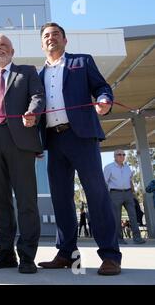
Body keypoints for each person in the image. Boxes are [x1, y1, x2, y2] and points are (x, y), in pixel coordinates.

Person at [37, 22, 122, 276]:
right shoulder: (38, 75)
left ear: (65, 40)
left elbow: (101, 87)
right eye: (46, 36)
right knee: (61, 199)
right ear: (42, 44)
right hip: (54, 139)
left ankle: (110, 255)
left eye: (55, 35)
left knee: (96, 195)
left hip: (82, 136)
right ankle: (66, 254)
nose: (51, 38)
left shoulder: (82, 62)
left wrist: (105, 100)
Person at [0, 34, 45, 274]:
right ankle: (5, 253)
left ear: (12, 51)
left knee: (26, 200)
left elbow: (38, 96)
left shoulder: (27, 72)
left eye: (4, 45)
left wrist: (33, 112)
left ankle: (27, 255)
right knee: (0, 201)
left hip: (20, 139)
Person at [103, 150, 146, 244]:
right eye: (119, 154)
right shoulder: (109, 167)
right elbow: (104, 182)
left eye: (123, 154)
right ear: (114, 156)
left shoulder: (127, 168)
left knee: (133, 216)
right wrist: (106, 196)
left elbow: (130, 181)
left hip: (128, 193)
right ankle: (119, 239)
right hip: (115, 194)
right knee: (116, 217)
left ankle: (137, 238)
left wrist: (133, 193)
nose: (122, 156)